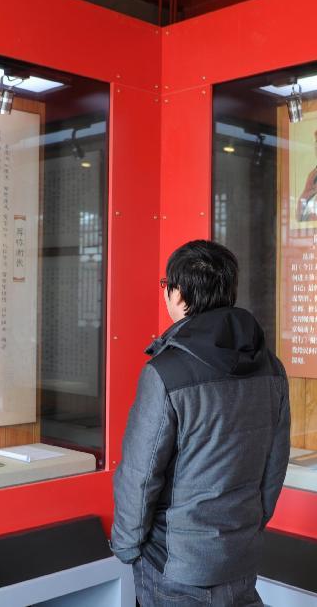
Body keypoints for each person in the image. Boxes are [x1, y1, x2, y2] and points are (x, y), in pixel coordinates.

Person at [111, 240, 290, 607]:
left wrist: (128, 546)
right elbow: (275, 464)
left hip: (174, 564)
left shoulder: (166, 372)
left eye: (167, 285)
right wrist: (246, 530)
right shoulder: (271, 368)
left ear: (178, 293)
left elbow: (140, 476)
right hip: (239, 556)